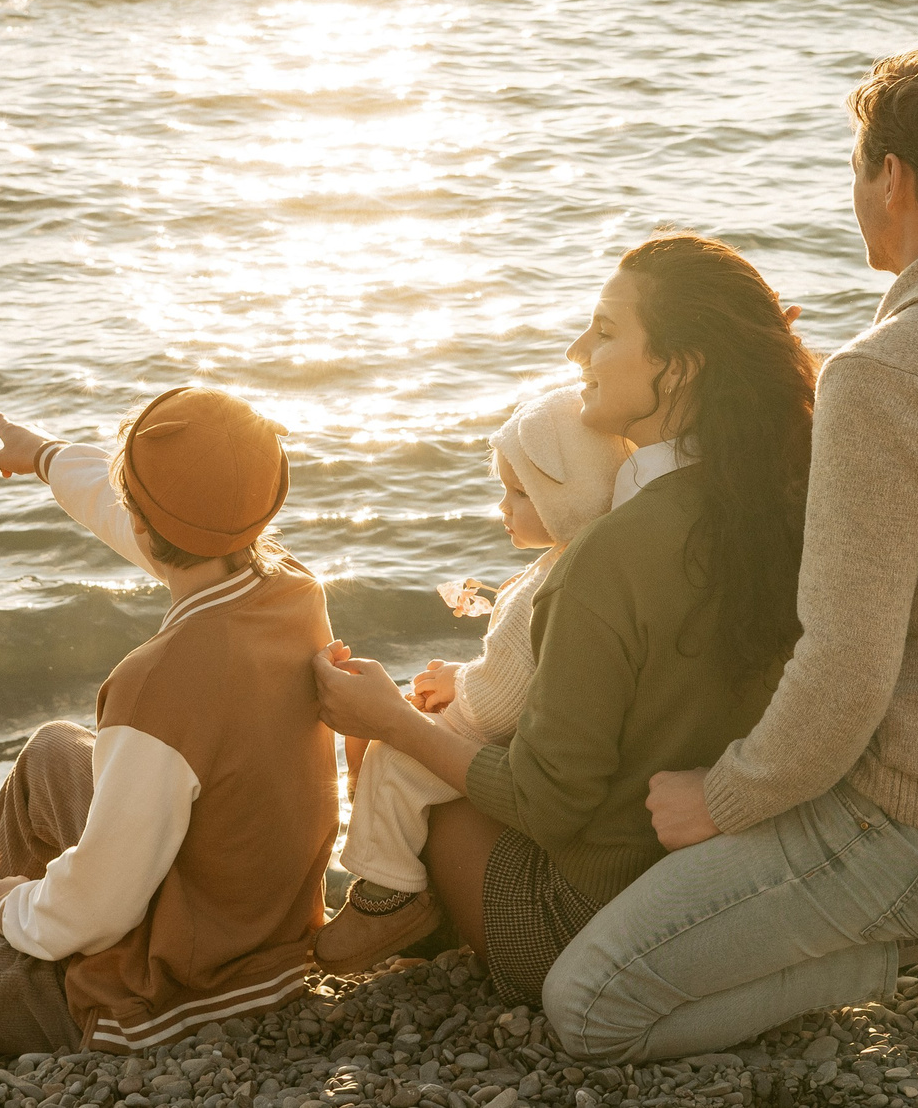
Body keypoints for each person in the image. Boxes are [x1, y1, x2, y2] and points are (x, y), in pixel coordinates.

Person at [540, 49, 918, 1062]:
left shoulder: (883, 376)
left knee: (589, 1008)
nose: (855, 192)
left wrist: (719, 798)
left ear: (890, 179)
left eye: (859, 170)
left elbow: (845, 668)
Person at [310, 234, 818, 1006]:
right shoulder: (789, 494)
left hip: (584, 921)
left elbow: (549, 803)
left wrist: (393, 721)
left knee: (413, 758)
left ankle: (390, 909)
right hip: (719, 888)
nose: (579, 348)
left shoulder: (609, 555)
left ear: (679, 366)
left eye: (607, 330)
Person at [0, 387, 338, 1055]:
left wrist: (9, 907)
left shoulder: (159, 684)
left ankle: (34, 959)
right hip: (264, 932)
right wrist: (45, 456)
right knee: (54, 749)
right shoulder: (292, 588)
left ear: (146, 527)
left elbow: (101, 906)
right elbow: (131, 517)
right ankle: (22, 939)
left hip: (170, 996)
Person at [317, 385, 629, 971]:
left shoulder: (550, 584)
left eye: (522, 492)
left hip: (504, 742)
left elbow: (498, 706)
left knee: (392, 761)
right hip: (535, 741)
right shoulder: (586, 557)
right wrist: (463, 675)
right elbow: (534, 672)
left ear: (569, 494)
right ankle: (416, 889)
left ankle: (388, 901)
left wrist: (434, 707)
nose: (504, 508)